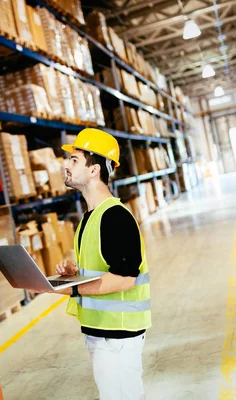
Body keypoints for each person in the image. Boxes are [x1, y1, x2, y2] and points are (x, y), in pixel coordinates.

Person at [48, 128, 152, 400]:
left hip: (118, 334)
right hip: (102, 331)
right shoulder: (89, 218)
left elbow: (126, 278)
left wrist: (72, 289)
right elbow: (104, 269)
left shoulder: (116, 217)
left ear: (94, 170)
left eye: (74, 160)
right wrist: (75, 275)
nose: (66, 166)